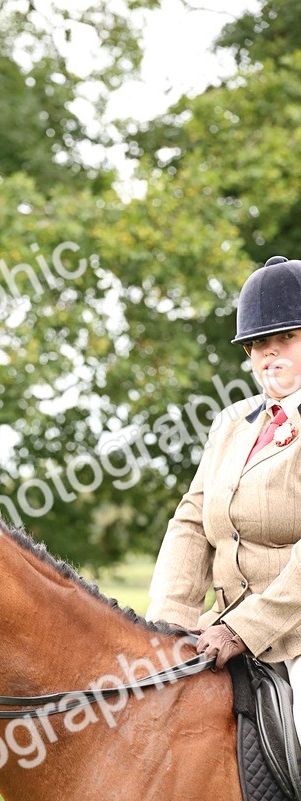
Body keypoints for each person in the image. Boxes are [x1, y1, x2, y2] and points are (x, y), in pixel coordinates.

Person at [146, 254, 301, 740]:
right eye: (258, 344)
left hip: (292, 640)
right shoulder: (232, 423)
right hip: (218, 632)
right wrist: (165, 629)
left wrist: (243, 631)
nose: (270, 355)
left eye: (287, 338)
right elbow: (192, 522)